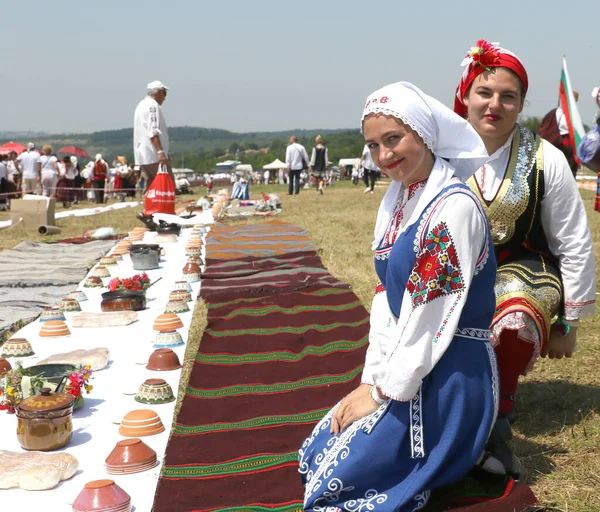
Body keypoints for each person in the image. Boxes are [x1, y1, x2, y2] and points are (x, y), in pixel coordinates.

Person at [299, 82, 498, 511]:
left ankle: (464, 443)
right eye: (373, 145)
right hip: (412, 359)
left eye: (394, 139)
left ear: (424, 135)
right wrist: (374, 378)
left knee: (341, 482)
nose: (384, 155)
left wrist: (385, 391)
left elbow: (430, 312)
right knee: (321, 450)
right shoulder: (399, 199)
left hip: (451, 366)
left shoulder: (454, 207)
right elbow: (387, 300)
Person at [452, 39, 596, 477]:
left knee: (515, 310)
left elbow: (573, 241)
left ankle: (498, 417)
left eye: (508, 96)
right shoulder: (437, 153)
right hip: (452, 273)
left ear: (520, 103)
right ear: (465, 95)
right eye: (484, 92)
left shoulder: (546, 158)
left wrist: (567, 323)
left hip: (522, 269)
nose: (494, 104)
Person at [133, 80, 175, 195]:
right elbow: (153, 131)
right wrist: (160, 151)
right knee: (167, 183)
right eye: (164, 93)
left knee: (151, 185)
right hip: (152, 154)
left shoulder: (141, 104)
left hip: (142, 154)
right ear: (158, 92)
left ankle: (147, 209)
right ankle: (163, 210)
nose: (165, 98)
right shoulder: (153, 106)